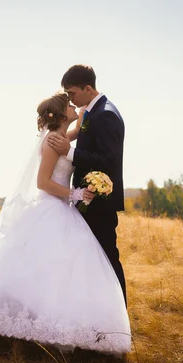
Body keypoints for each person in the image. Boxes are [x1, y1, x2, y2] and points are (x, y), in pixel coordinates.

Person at [0, 92, 131, 356]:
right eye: (69, 105)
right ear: (61, 114)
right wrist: (75, 194)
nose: (74, 106)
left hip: (62, 209)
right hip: (52, 207)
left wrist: (80, 120)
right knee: (44, 270)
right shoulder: (51, 142)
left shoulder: (59, 137)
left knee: (59, 273)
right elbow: (43, 182)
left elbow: (70, 139)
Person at [47, 64, 127, 305]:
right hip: (84, 200)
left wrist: (69, 153)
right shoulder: (91, 112)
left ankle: (118, 317)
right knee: (91, 263)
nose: (69, 98)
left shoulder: (106, 114)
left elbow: (109, 162)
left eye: (71, 93)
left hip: (100, 204)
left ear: (88, 88)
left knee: (107, 259)